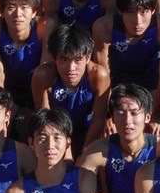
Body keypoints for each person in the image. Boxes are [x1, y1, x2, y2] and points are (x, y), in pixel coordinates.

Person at [31, 23, 110, 156]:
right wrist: (63, 149)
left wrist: (85, 150)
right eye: (64, 59)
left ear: (88, 57)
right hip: (57, 131)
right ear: (54, 57)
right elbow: (44, 117)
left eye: (78, 60)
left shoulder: (98, 75)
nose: (71, 68)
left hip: (87, 129)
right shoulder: (43, 75)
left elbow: (99, 117)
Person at [92, 0, 160, 98]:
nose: (138, 21)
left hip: (152, 81)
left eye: (143, 12)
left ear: (153, 10)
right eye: (130, 12)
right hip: (117, 83)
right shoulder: (103, 27)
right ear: (120, 11)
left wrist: (155, 110)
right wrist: (110, 107)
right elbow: (103, 76)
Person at [0, 0, 44, 116]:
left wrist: (38, 107)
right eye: (11, 7)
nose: (18, 14)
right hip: (9, 85)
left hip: (35, 86)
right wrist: (0, 109)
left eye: (24, 7)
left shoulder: (44, 27)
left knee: (35, 122)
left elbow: (45, 70)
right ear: (2, 11)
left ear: (34, 11)